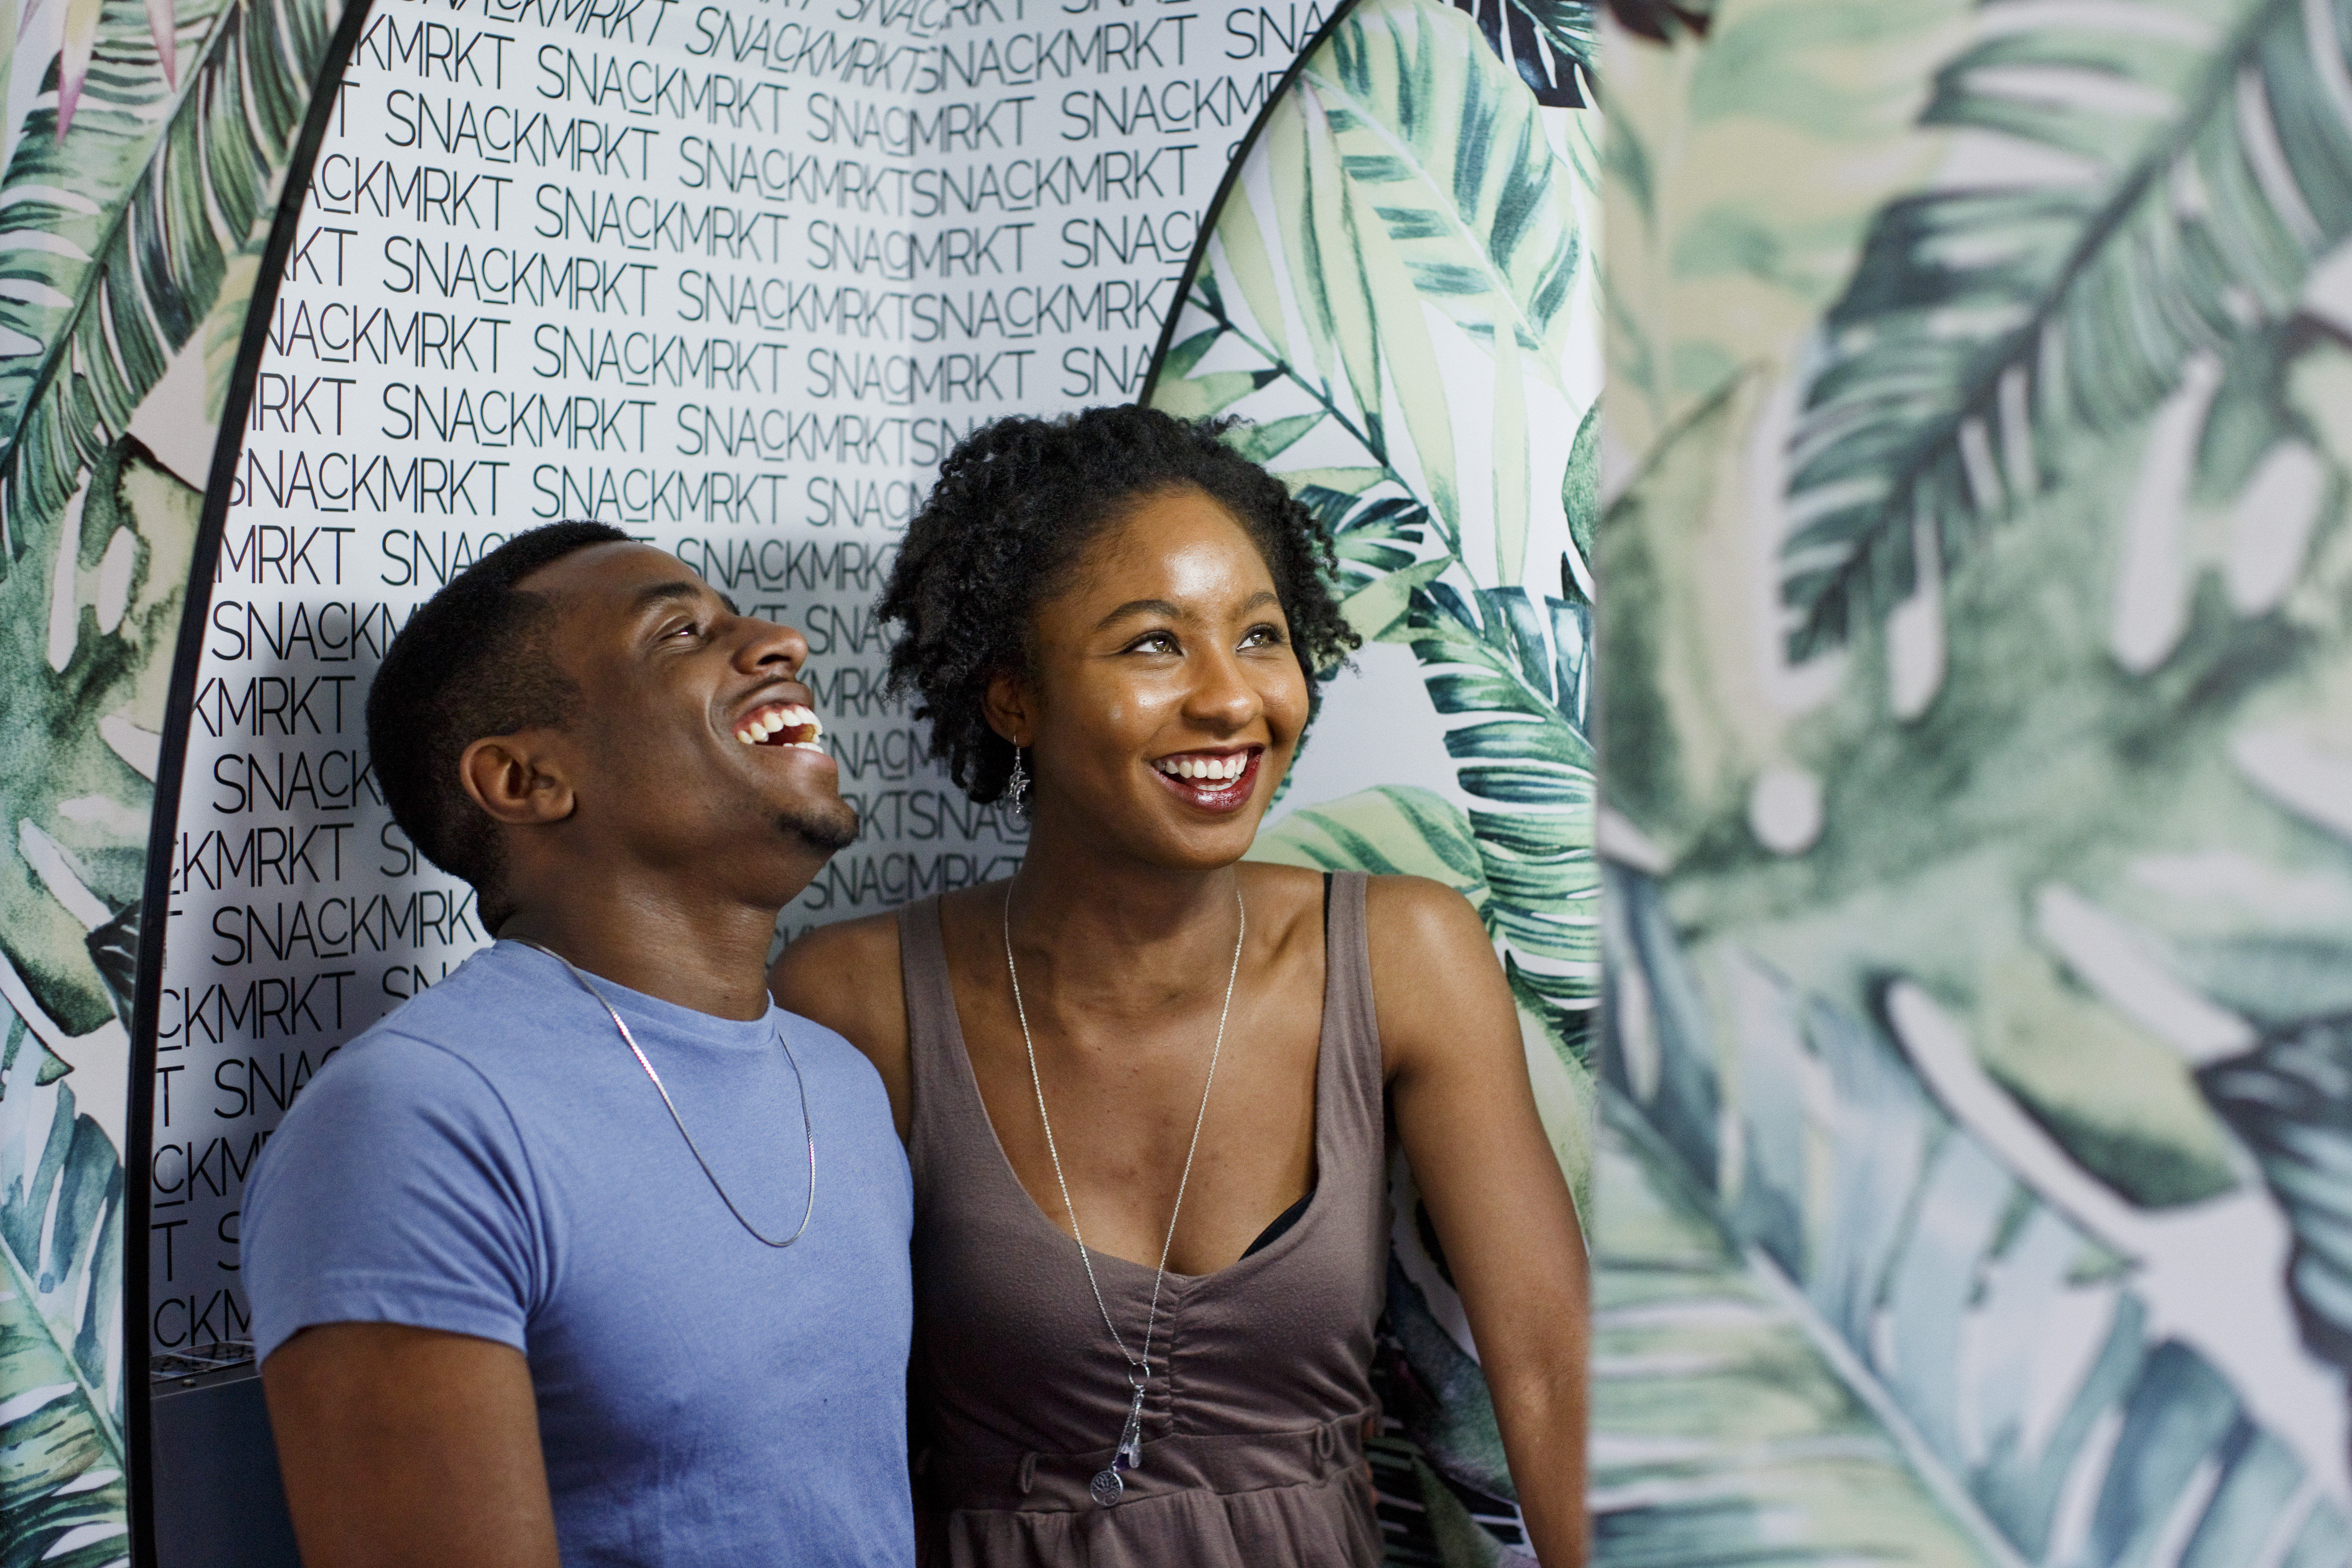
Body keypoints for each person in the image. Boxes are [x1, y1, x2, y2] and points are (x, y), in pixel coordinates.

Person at [771, 408, 1589, 1566]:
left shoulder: (1403, 954)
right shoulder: (856, 999)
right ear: (1013, 696)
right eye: (1155, 644)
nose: (1230, 700)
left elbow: (1554, 1373)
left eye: (1261, 636)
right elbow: (795, 1420)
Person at [244, 521, 914, 1568]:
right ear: (525, 780)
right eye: (680, 632)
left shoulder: (841, 1083)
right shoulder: (413, 1120)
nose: (780, 640)